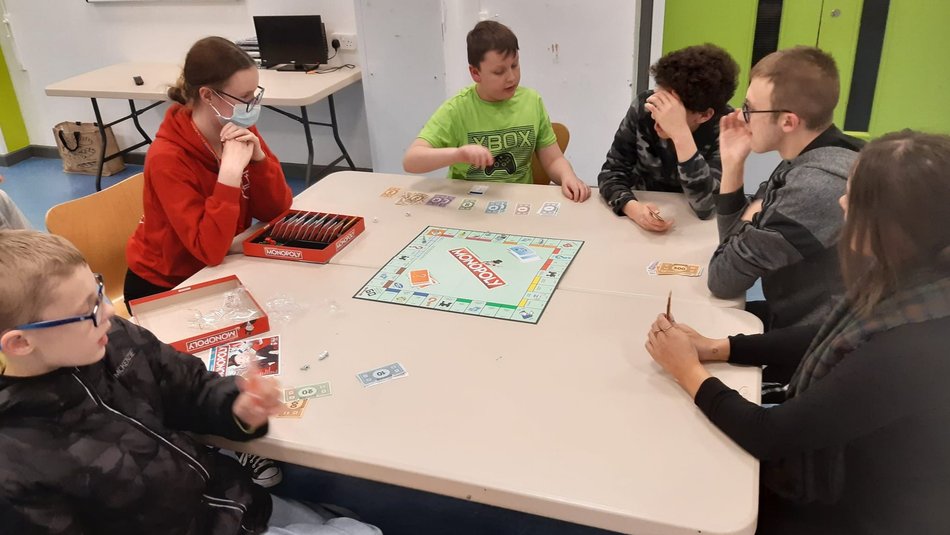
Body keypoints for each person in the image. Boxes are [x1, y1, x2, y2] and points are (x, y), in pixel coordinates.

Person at [645, 131, 950, 534]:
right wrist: (716, 347)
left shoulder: (916, 347)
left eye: (853, 196)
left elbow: (771, 435)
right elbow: (826, 334)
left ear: (893, 225)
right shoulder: (914, 274)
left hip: (861, 509)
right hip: (849, 467)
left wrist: (688, 372)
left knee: (685, 491)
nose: (841, 202)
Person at [0, 229, 382, 535]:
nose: (110, 310)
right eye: (87, 311)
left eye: (98, 291)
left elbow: (190, 387)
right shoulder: (15, 470)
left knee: (352, 520)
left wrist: (238, 406)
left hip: (230, 499)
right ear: (20, 343)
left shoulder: (111, 338)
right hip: (208, 516)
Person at [125, 36, 292, 308]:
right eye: (244, 97)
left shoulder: (238, 128)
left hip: (220, 267)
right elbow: (210, 251)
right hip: (166, 285)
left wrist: (260, 160)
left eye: (255, 95)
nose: (252, 106)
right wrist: (228, 177)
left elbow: (277, 210)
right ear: (207, 95)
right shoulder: (167, 157)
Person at [708, 46, 865, 330]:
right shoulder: (816, 154)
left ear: (788, 121)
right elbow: (731, 247)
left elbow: (724, 278)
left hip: (819, 342)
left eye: (750, 110)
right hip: (802, 318)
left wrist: (755, 214)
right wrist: (732, 165)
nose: (742, 118)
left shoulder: (816, 184)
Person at [403, 20, 591, 202]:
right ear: (475, 73)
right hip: (469, 204)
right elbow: (411, 161)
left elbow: (553, 160)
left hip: (519, 204)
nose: (511, 77)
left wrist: (568, 176)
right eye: (499, 72)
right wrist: (458, 154)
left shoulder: (532, 101)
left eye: (515, 65)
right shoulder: (457, 109)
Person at [598, 44, 739, 232]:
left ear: (704, 115)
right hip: (640, 213)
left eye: (670, 108)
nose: (655, 111)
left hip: (694, 227)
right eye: (658, 97)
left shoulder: (724, 125)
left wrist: (680, 134)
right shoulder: (644, 106)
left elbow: (706, 206)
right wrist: (632, 208)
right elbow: (611, 173)